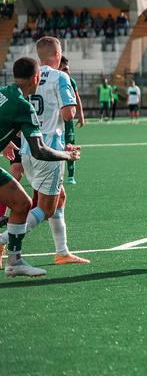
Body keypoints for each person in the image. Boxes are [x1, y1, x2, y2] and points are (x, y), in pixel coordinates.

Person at [0, 58, 81, 277]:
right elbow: (39, 150)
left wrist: (5, 141)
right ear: (35, 78)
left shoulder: (3, 92)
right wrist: (67, 155)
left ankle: (14, 262)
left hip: (25, 158)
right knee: (33, 205)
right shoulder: (24, 107)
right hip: (42, 155)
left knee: (22, 204)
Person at [20, 37, 89, 264]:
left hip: (27, 149)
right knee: (45, 208)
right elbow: (68, 114)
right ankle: (4, 238)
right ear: (58, 55)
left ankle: (62, 252)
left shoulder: (30, 77)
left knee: (59, 198)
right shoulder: (60, 76)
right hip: (49, 152)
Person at [59, 56, 85, 185]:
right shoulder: (52, 80)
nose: (67, 72)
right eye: (64, 69)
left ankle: (70, 176)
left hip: (67, 120)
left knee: (70, 145)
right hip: (54, 121)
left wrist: (81, 115)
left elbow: (77, 98)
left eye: (68, 69)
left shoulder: (71, 81)